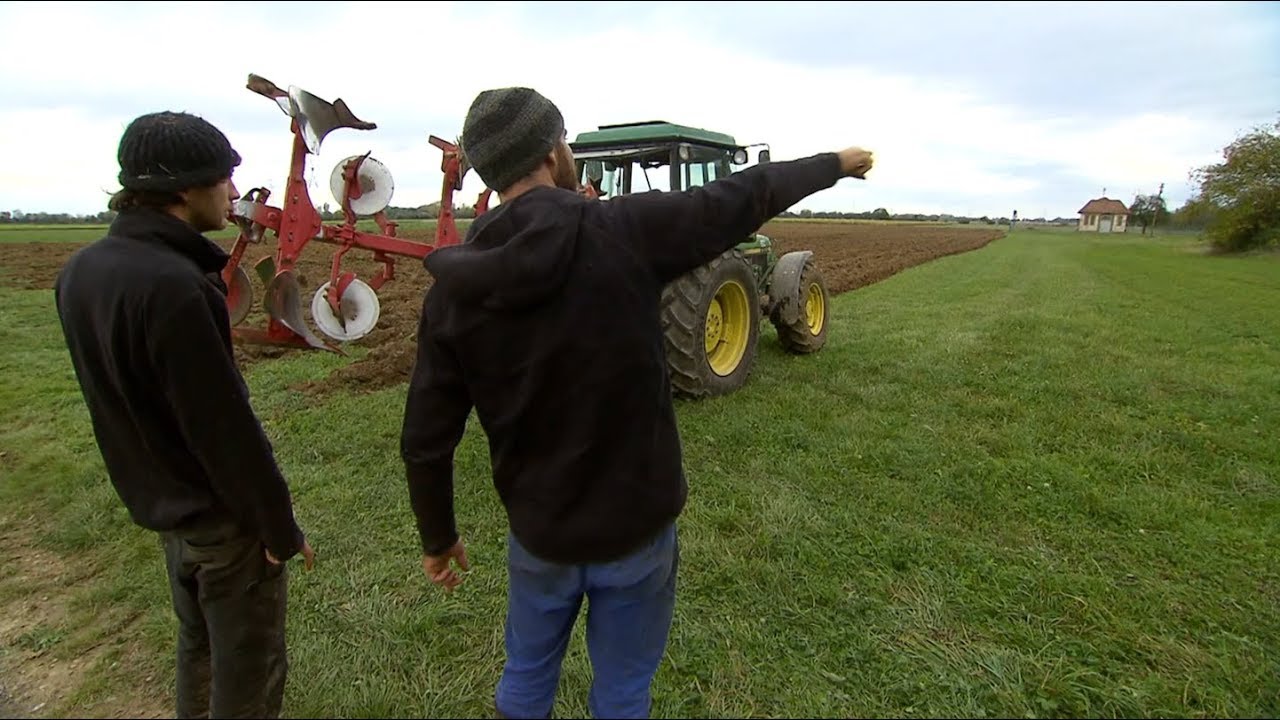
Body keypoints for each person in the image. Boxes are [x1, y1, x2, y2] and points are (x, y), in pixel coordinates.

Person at [399, 87, 873, 720]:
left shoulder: (454, 288)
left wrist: (438, 536)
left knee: (527, 676)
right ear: (552, 151)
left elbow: (426, 436)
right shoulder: (625, 232)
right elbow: (741, 195)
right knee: (622, 690)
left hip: (541, 534)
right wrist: (835, 163)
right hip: (636, 530)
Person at [53, 111, 315, 719]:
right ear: (184, 188)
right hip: (222, 525)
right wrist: (276, 527)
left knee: (198, 650)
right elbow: (223, 429)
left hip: (165, 511)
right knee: (247, 675)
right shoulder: (175, 285)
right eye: (223, 178)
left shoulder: (82, 274)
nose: (231, 192)